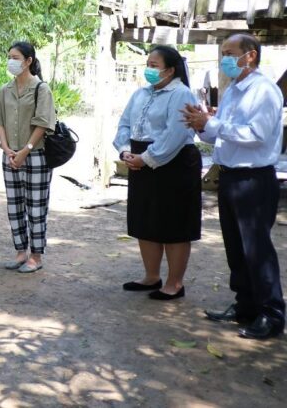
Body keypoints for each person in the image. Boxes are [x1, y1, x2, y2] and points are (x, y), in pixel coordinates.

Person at [183, 34, 285, 339]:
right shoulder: (232, 91)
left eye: (230, 53)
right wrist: (201, 124)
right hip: (229, 176)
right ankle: (246, 306)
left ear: (250, 55)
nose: (224, 59)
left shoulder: (264, 90)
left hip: (253, 179)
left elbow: (256, 134)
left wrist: (212, 123)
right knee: (236, 248)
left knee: (256, 249)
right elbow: (218, 134)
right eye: (223, 53)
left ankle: (271, 314)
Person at [114, 45, 200, 300]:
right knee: (145, 220)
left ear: (170, 70)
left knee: (174, 223)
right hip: (140, 160)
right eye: (148, 65)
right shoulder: (140, 93)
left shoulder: (181, 94)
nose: (149, 70)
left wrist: (147, 158)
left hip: (174, 164)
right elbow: (125, 124)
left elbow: (175, 134)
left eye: (154, 65)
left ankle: (175, 283)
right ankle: (151, 276)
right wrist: (125, 150)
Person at [0, 42, 57, 274]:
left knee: (36, 208)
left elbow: (43, 123)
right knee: (15, 206)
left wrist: (25, 150)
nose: (11, 61)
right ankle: (20, 252)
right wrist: (7, 148)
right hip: (10, 157)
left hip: (36, 156)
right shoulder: (5, 89)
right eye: (9, 56)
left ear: (28, 61)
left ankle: (36, 256)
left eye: (16, 57)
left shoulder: (41, 89)